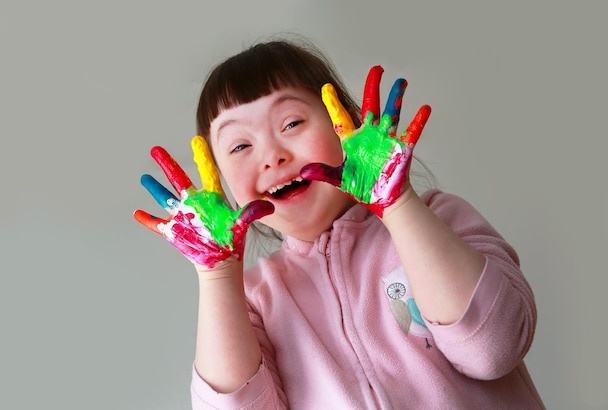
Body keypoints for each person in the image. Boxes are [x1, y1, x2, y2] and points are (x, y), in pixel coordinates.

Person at [134, 37, 545, 409]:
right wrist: (217, 276)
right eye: (240, 145)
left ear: (345, 123)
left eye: (292, 124)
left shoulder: (440, 217)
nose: (272, 155)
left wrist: (398, 205)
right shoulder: (255, 302)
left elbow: (495, 350)